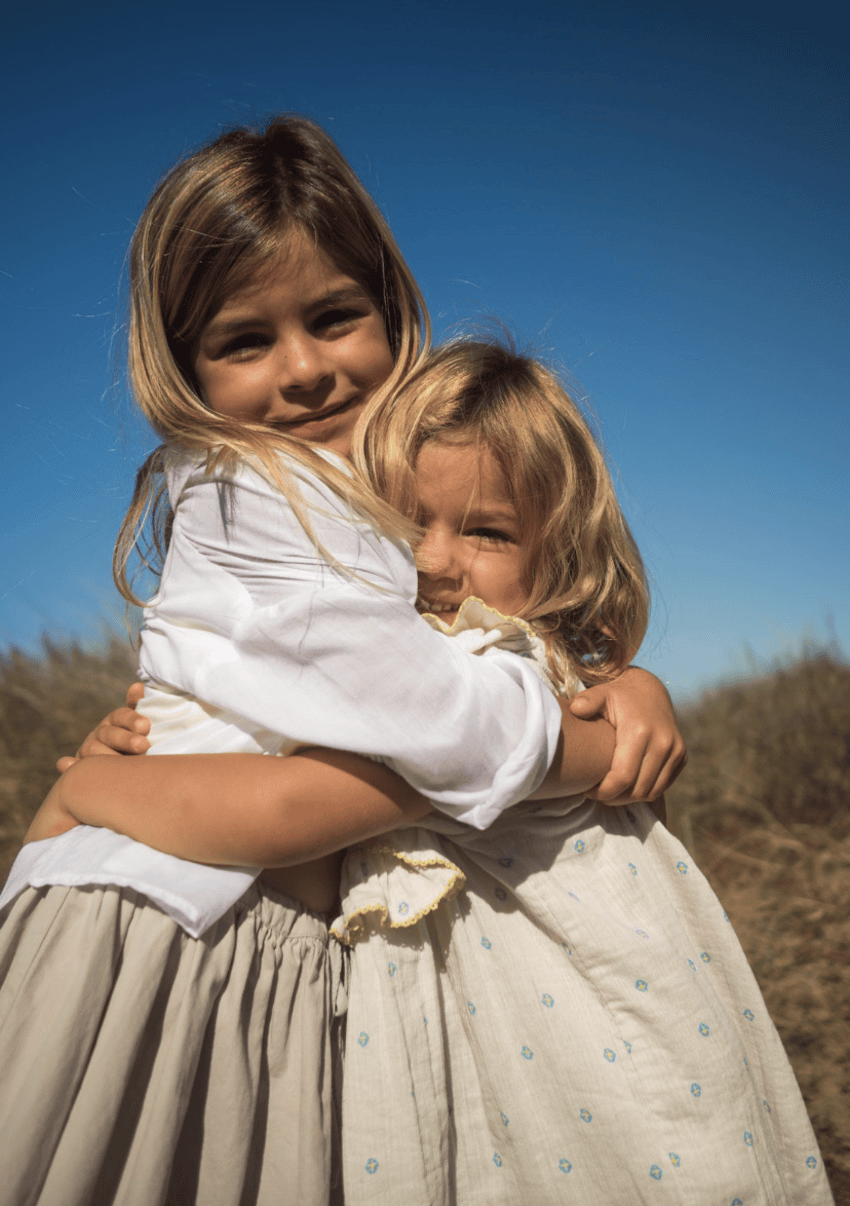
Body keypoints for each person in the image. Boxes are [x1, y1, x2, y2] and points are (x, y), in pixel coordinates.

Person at [0, 117, 683, 1206]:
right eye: (244, 341)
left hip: (253, 955)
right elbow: (440, 734)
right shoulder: (248, 490)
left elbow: (489, 642)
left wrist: (622, 678)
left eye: (333, 318)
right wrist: (588, 743)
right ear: (182, 365)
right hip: (160, 940)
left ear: (388, 304)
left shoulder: (377, 507)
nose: (308, 371)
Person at [30, 341, 831, 1205]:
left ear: (560, 554)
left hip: (580, 1030)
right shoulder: (386, 673)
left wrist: (87, 790)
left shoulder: (474, 671)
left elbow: (297, 804)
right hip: (455, 1032)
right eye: (403, 522)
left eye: (487, 530)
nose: (434, 560)